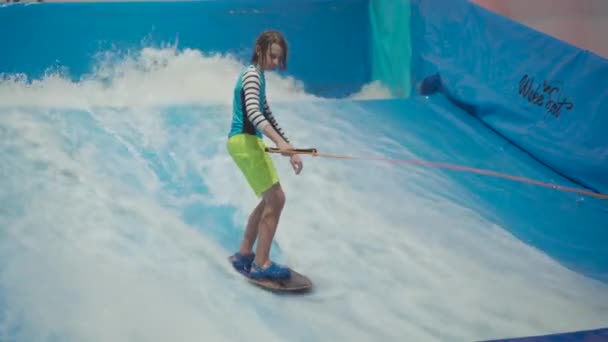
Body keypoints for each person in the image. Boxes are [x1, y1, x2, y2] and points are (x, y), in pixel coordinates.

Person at [226, 30, 303, 281]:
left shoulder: (257, 76)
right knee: (277, 199)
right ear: (259, 50)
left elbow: (267, 114)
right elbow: (254, 114)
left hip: (246, 142)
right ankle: (261, 263)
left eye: (279, 59)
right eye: (272, 57)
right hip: (245, 142)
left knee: (269, 199)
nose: (276, 63)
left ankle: (245, 254)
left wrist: (289, 148)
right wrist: (280, 143)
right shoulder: (251, 76)